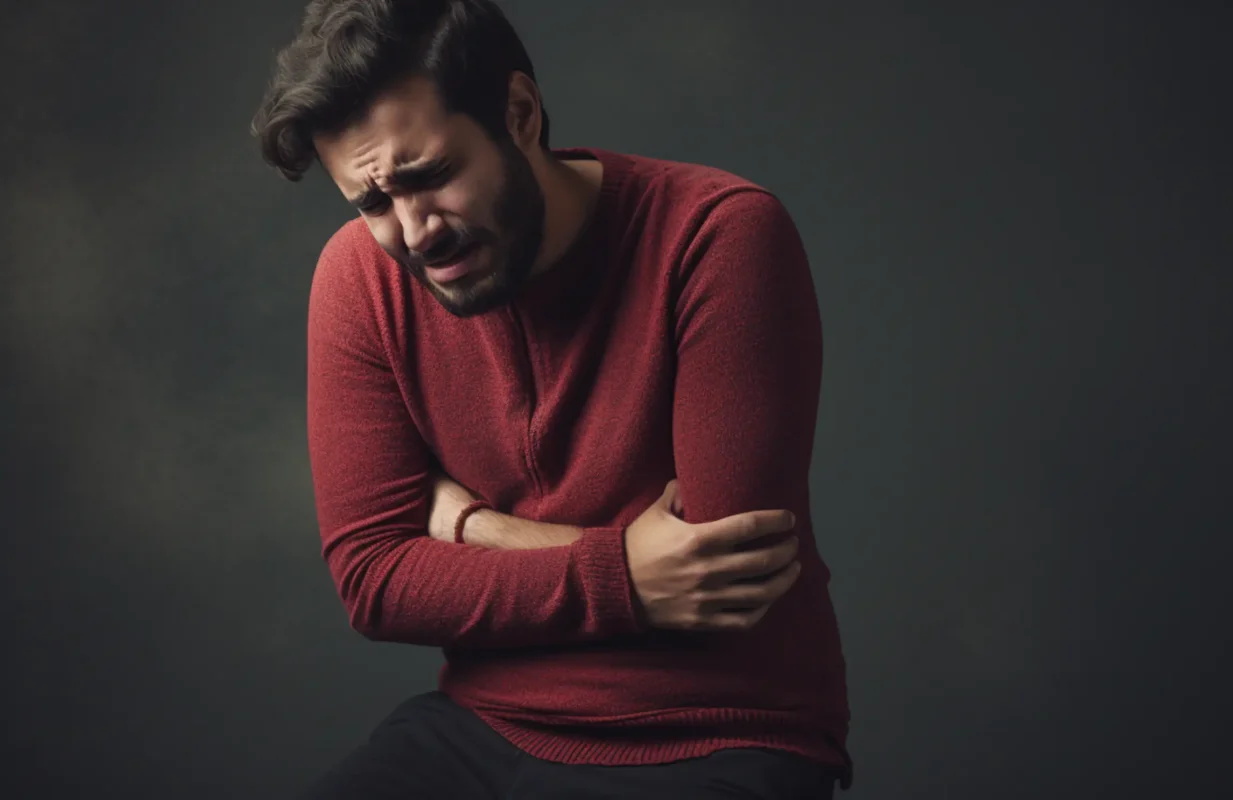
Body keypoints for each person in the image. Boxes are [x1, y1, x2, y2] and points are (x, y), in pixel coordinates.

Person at [251, 1, 850, 797]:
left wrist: (465, 525)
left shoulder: (719, 237)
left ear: (520, 113)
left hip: (716, 731)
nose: (414, 231)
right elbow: (375, 580)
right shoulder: (359, 281)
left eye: (430, 176)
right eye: (371, 204)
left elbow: (716, 575)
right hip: (481, 724)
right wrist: (625, 574)